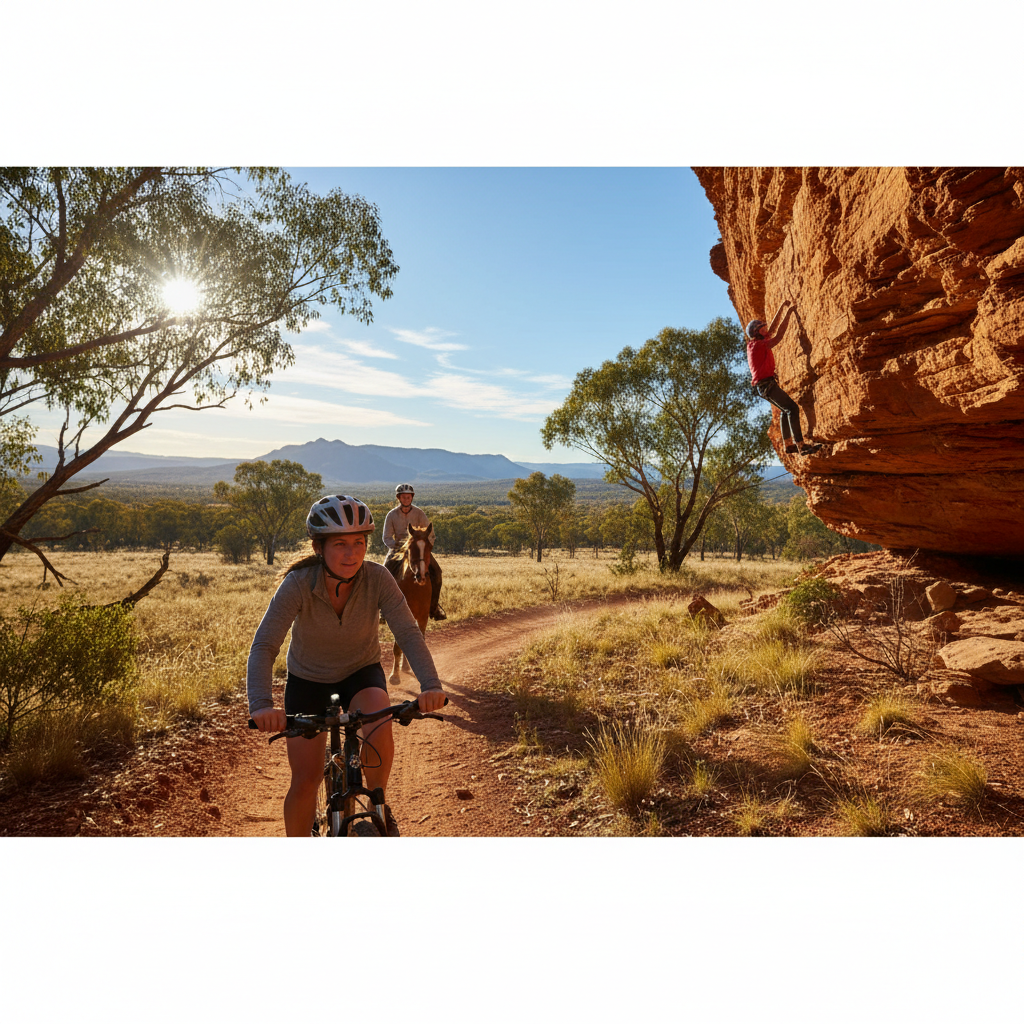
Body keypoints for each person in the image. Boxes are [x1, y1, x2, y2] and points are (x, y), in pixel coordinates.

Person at [247, 494, 446, 837]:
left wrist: (430, 685)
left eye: (358, 542)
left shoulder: (379, 578)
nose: (352, 553)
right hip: (308, 679)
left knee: (379, 720)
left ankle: (379, 803)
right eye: (340, 544)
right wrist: (262, 705)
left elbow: (409, 634)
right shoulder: (297, 584)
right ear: (318, 547)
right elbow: (265, 645)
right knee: (306, 780)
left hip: (360, 671)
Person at [746, 300, 823, 456]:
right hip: (767, 385)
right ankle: (801, 446)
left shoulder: (756, 343)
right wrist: (788, 313)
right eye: (761, 329)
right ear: (756, 332)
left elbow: (772, 329)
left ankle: (789, 446)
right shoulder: (758, 345)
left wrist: (781, 307)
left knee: (784, 411)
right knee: (792, 408)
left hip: (765, 386)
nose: (765, 329)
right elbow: (778, 336)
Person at [382, 483, 446, 620]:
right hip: (398, 548)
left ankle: (434, 608)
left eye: (409, 497)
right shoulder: (392, 515)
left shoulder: (419, 513)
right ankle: (383, 610)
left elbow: (431, 535)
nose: (406, 499)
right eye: (404, 497)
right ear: (399, 498)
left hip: (419, 549)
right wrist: (397, 548)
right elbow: (386, 537)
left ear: (412, 498)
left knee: (437, 572)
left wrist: (426, 548)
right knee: (384, 572)